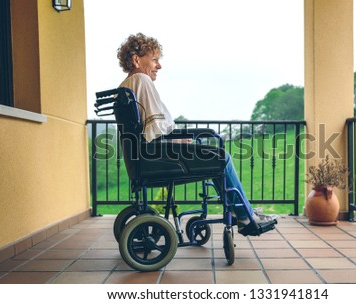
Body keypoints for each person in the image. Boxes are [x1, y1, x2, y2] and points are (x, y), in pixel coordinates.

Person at [116, 33, 276, 231]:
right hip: (155, 157)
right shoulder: (141, 80)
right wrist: (175, 141)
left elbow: (145, 131)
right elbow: (155, 131)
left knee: (207, 154)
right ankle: (244, 215)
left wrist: (176, 140)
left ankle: (241, 210)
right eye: (155, 60)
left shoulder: (124, 87)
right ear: (136, 59)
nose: (159, 66)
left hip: (142, 158)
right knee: (221, 157)